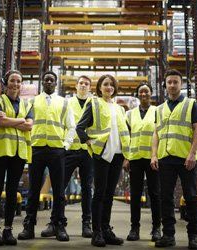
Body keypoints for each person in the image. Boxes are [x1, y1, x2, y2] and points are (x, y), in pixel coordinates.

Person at [18, 71, 76, 242]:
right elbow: (25, 123)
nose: (49, 82)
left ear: (55, 83)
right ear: (42, 83)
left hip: (57, 150)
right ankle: (29, 226)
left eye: (52, 80)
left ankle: (60, 226)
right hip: (36, 149)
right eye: (46, 80)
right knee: (34, 190)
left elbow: (71, 126)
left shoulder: (64, 103)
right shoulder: (33, 101)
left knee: (59, 191)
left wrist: (66, 146)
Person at [150, 69, 197, 249]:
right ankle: (168, 235)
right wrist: (154, 155)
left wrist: (192, 154)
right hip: (165, 159)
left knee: (191, 197)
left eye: (175, 82)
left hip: (185, 159)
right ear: (165, 85)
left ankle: (193, 236)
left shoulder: (191, 104)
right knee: (165, 197)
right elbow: (156, 134)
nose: (172, 85)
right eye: (169, 82)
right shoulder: (159, 109)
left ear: (181, 84)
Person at [76, 74, 130, 247]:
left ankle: (106, 229)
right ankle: (96, 232)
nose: (109, 87)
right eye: (106, 84)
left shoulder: (120, 109)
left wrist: (126, 155)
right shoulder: (94, 103)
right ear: (99, 87)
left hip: (117, 155)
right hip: (101, 155)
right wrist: (90, 142)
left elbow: (123, 133)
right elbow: (80, 127)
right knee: (99, 194)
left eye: (112, 85)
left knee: (109, 195)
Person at [41, 75, 94, 238]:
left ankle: (87, 224)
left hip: (88, 151)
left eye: (86, 84)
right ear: (76, 87)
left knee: (87, 188)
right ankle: (54, 222)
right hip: (69, 150)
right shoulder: (67, 102)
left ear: (90, 88)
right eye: (81, 83)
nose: (83, 86)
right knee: (59, 187)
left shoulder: (95, 104)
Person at [0, 70, 33, 246]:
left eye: (19, 81)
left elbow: (29, 126)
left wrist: (13, 120)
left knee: (13, 191)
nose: (15, 84)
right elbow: (0, 122)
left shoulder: (27, 105)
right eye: (12, 80)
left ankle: (8, 229)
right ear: (6, 83)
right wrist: (20, 121)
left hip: (18, 153)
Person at [123, 83, 161, 242]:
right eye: (141, 92)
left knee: (155, 194)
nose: (144, 94)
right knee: (136, 194)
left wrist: (157, 155)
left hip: (153, 158)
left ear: (151, 94)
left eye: (147, 91)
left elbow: (160, 134)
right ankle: (134, 228)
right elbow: (126, 136)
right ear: (138, 95)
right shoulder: (130, 114)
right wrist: (126, 157)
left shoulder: (158, 111)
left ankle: (156, 228)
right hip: (135, 158)